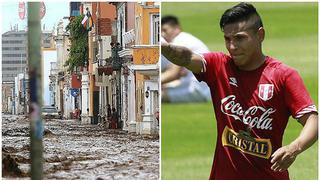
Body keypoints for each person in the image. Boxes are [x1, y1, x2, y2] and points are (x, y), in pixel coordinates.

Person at [161, 3, 318, 180]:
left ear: (260, 35)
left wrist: (293, 148)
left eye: (239, 38)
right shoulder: (219, 66)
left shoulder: (283, 76)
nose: (232, 46)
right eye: (227, 39)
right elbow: (186, 57)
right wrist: (164, 47)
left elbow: (312, 120)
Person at [161, 15, 211, 103]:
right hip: (202, 87)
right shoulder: (185, 38)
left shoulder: (179, 42)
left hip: (198, 90)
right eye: (160, 31)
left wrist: (153, 82)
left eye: (165, 30)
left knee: (159, 95)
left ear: (177, 28)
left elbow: (173, 74)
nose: (162, 34)